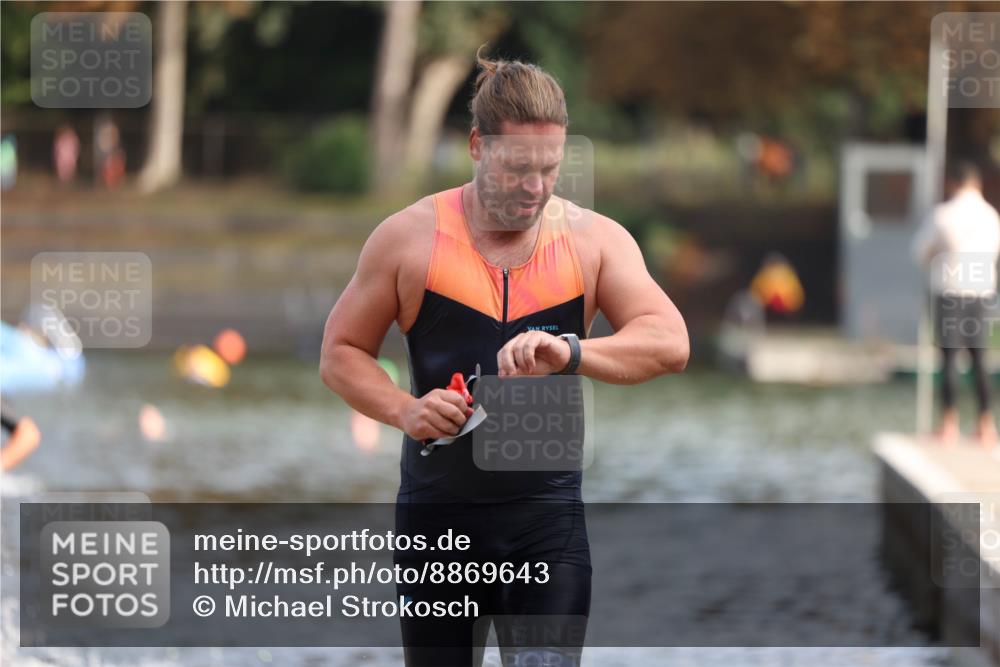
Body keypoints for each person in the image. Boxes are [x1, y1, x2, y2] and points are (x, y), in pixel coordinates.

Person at [320, 49, 688, 666]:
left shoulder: (594, 242)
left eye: (550, 168)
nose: (535, 188)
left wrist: (571, 351)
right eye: (518, 167)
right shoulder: (408, 239)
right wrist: (405, 411)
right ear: (477, 146)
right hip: (438, 529)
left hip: (546, 530)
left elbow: (671, 343)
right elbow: (340, 352)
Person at [912, 161, 1000, 447]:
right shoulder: (991, 216)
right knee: (980, 358)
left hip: (950, 291)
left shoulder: (944, 215)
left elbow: (919, 252)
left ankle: (949, 425)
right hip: (981, 292)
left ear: (953, 183)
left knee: (949, 358)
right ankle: (986, 425)